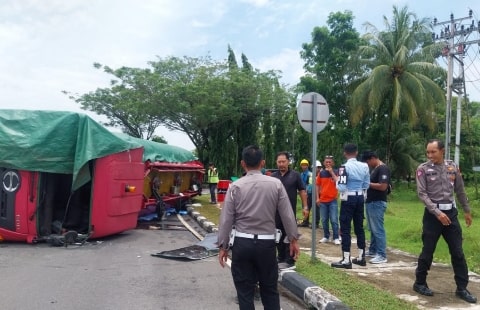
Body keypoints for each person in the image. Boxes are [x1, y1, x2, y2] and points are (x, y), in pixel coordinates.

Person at [217, 145, 300, 310]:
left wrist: (223, 246)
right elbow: (287, 215)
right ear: (263, 163)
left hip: (242, 243)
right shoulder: (276, 185)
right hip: (267, 245)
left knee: (245, 292)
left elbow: (226, 219)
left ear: (243, 164)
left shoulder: (235, 186)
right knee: (269, 290)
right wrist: (293, 239)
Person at [413, 139, 476, 303]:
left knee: (458, 251)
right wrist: (437, 212)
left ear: (442, 151)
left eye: (433, 152)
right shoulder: (423, 169)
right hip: (433, 216)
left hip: (451, 214)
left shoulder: (452, 167)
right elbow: (422, 194)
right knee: (428, 250)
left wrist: (467, 210)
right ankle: (420, 282)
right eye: (428, 152)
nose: (430, 155)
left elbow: (460, 190)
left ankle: (462, 288)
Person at [331, 143, 370, 269]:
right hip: (360, 198)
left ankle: (346, 259)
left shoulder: (344, 167)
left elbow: (341, 186)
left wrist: (337, 182)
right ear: (356, 152)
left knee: (346, 228)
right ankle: (360, 257)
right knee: (359, 227)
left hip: (348, 198)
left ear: (345, 153)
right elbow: (366, 184)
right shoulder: (365, 166)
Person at [271, 151, 308, 270]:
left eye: (283, 161)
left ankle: (290, 260)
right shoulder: (273, 177)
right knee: (278, 235)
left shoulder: (295, 175)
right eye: (279, 162)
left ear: (288, 162)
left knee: (290, 235)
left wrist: (305, 207)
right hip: (275, 212)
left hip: (289, 212)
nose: (281, 164)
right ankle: (281, 257)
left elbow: (302, 191)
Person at [361, 151, 390, 264]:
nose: (367, 164)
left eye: (368, 161)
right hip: (371, 202)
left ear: (373, 158)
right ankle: (373, 250)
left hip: (377, 202)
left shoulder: (383, 169)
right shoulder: (376, 169)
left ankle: (381, 254)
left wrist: (367, 184)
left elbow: (383, 186)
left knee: (378, 229)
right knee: (372, 228)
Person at [317, 155, 340, 245]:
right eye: (326, 162)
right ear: (324, 163)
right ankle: (326, 236)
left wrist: (331, 173)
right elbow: (317, 185)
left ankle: (336, 237)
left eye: (330, 162)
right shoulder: (321, 173)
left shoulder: (336, 172)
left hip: (332, 200)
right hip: (323, 200)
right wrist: (317, 198)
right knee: (324, 220)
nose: (328, 163)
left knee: (334, 219)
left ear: (333, 163)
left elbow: (337, 181)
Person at [298, 159, 313, 227]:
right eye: (302, 165)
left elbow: (310, 184)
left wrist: (306, 192)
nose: (304, 166)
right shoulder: (301, 174)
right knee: (304, 206)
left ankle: (306, 221)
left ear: (307, 166)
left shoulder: (310, 174)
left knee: (307, 207)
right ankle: (305, 221)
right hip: (303, 193)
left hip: (308, 193)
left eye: (305, 165)